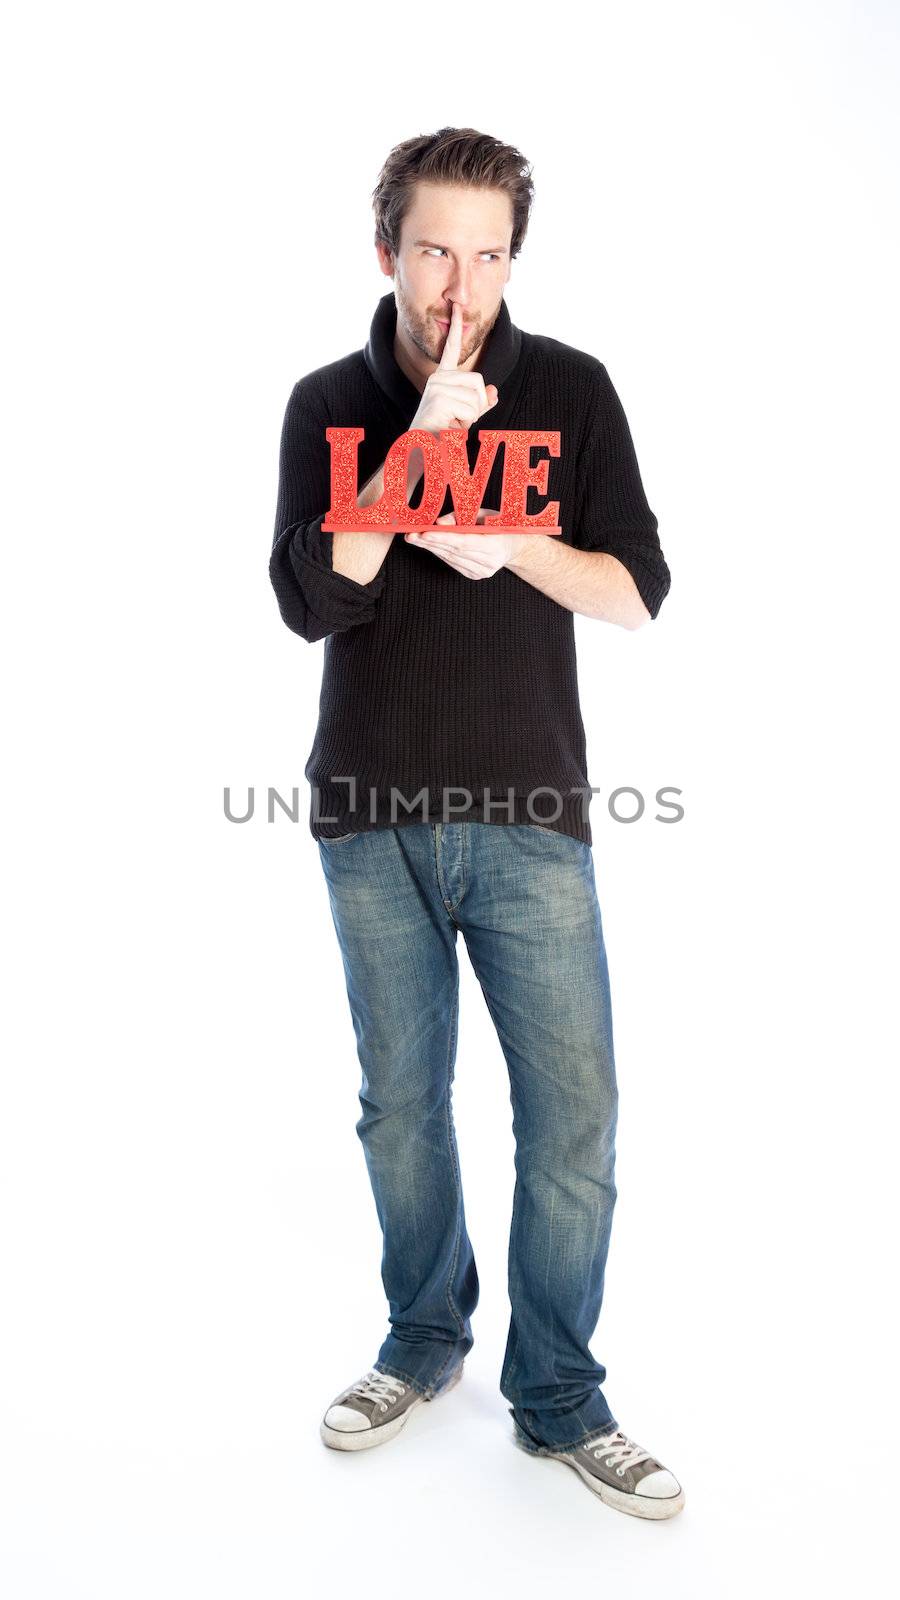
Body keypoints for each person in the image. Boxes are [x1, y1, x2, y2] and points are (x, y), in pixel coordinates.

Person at [269, 127, 683, 1519]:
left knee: (575, 1119)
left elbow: (636, 591)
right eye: (437, 249)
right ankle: (423, 1339)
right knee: (403, 1112)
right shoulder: (329, 401)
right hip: (369, 811)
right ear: (387, 248)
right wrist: (411, 459)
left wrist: (511, 543)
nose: (463, 285)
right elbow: (315, 602)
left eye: (490, 253)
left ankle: (559, 1395)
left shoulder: (572, 392)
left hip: (530, 816)